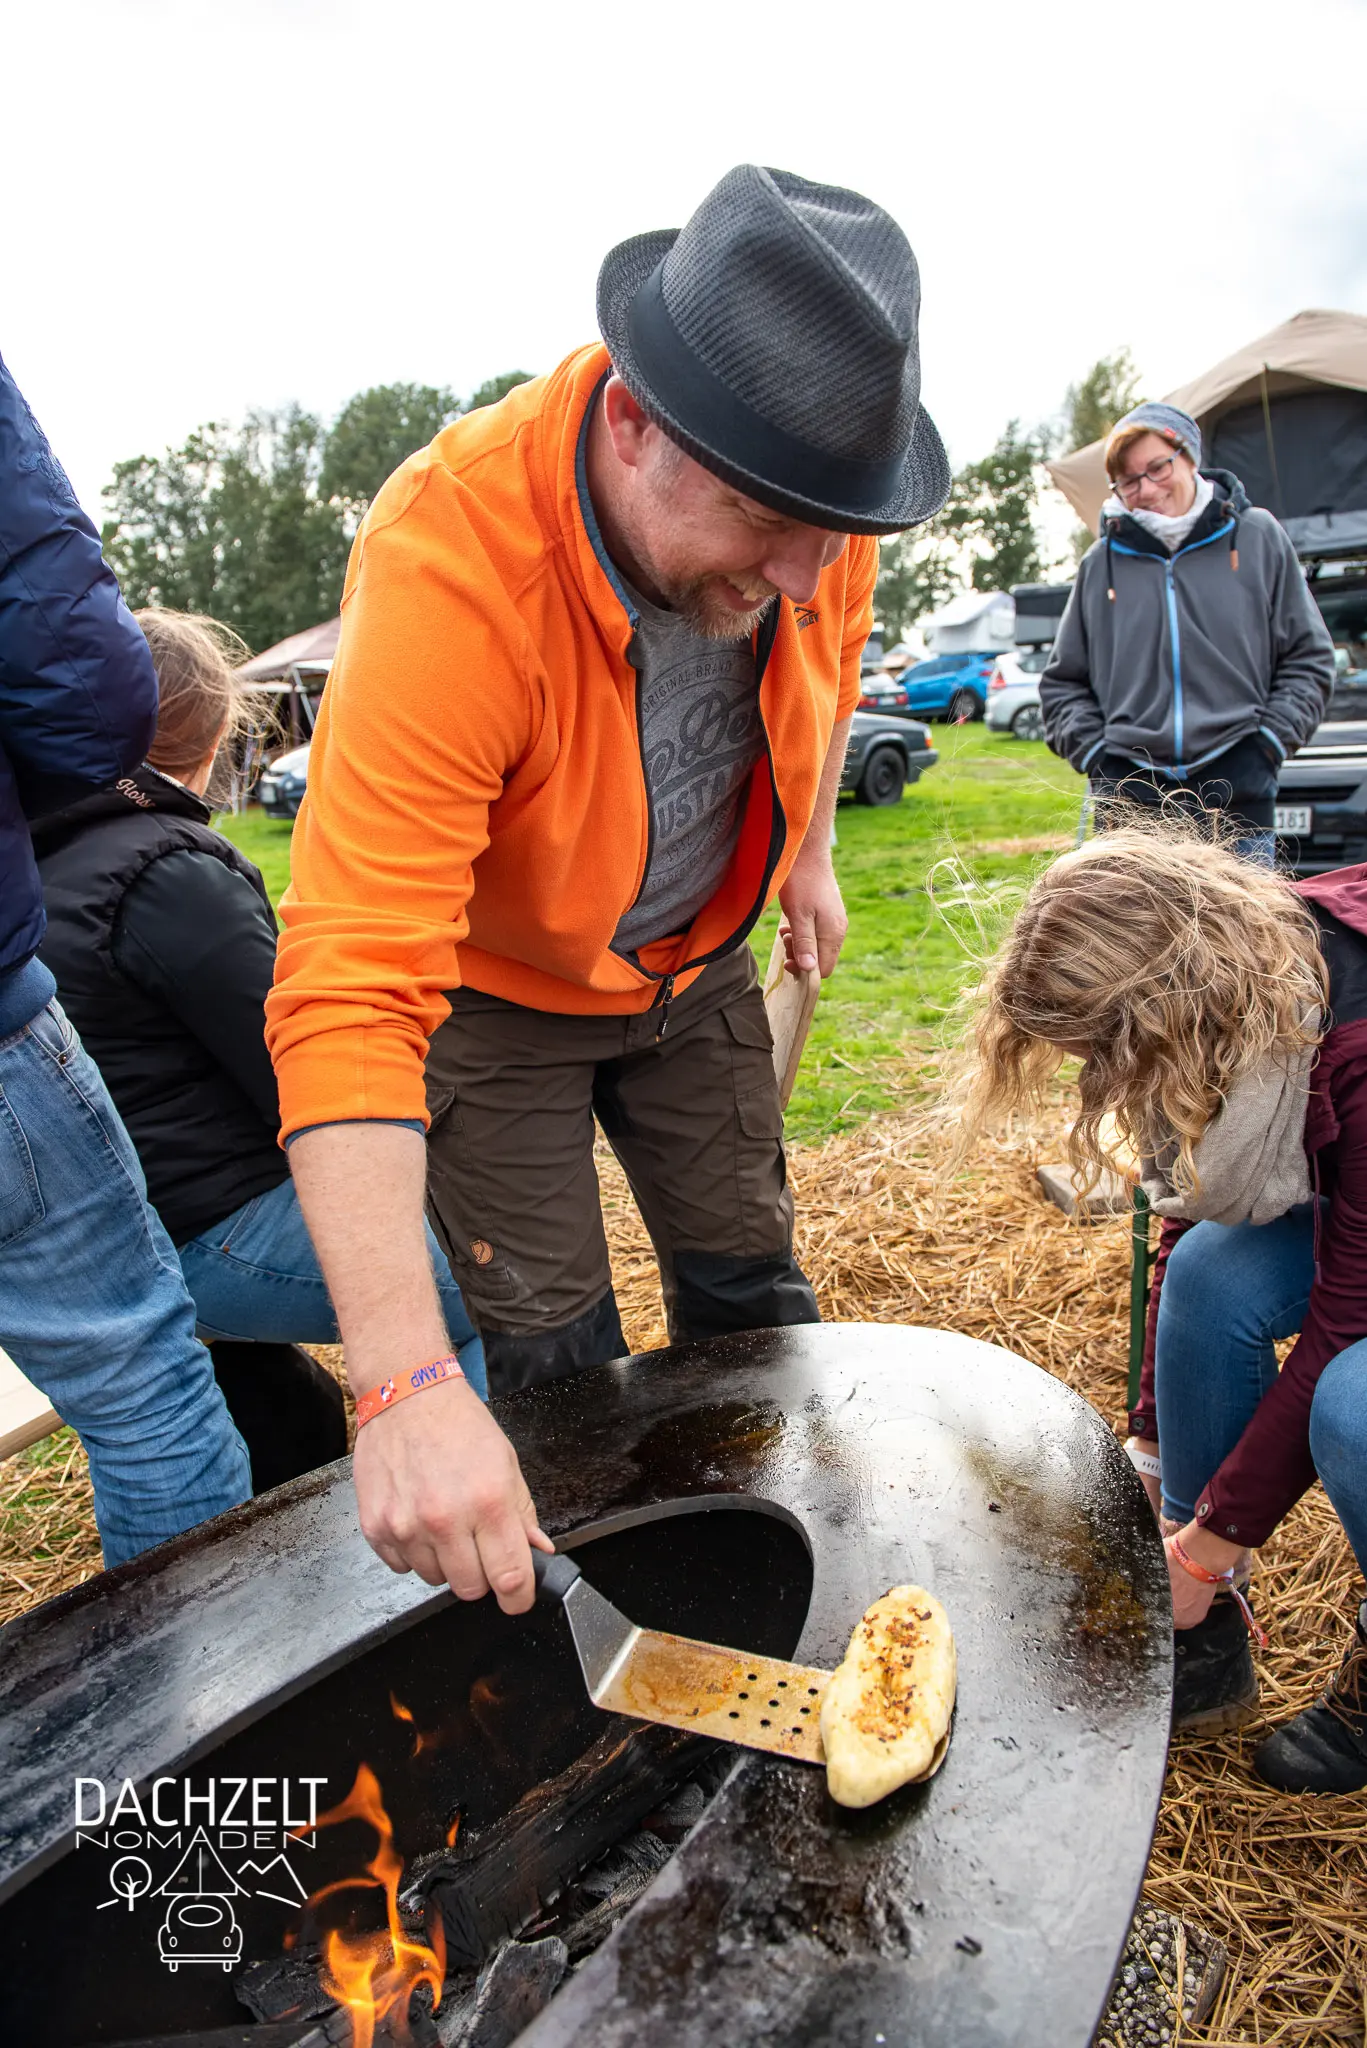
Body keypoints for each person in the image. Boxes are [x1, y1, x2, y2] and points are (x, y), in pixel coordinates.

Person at [265, 164, 950, 1613]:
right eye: (770, 524)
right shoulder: (452, 558)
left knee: (747, 1287)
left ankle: (787, 1577)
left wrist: (809, 848)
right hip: (499, 1007)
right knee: (555, 1357)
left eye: (832, 529)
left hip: (690, 967)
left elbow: (823, 679)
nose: (811, 570)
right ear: (635, 424)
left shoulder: (815, 516)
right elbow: (346, 984)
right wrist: (396, 1387)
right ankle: (616, 1628)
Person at [956, 819, 1367, 1794]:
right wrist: (1150, 1450)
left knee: (1349, 1402)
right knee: (1211, 1276)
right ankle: (1205, 1627)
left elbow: (1342, 1320)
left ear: (1158, 1003)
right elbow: (1189, 1211)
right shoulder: (1239, 980)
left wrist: (1215, 1535)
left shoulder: (1348, 1036)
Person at [33, 609, 487, 1492]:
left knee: (283, 1405)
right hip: (211, 1227)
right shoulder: (165, 869)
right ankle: (479, 1516)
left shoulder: (39, 859)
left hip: (112, 1239)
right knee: (492, 1289)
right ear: (208, 738)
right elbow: (299, 1068)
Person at [0, 354, 250, 1564]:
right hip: (203, 1211)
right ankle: (201, 1733)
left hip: (176, 1191)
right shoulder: (172, 873)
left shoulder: (71, 861)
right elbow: (288, 1070)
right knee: (153, 1398)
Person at [1040, 402, 1334, 860]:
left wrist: (1265, 748)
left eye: (1158, 467)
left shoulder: (1257, 537)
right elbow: (1062, 685)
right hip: (1130, 815)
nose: (1148, 488)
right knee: (1126, 935)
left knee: (1242, 935)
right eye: (1130, 480)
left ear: (1190, 457)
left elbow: (1309, 660)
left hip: (1236, 808)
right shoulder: (1102, 564)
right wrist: (1102, 760)